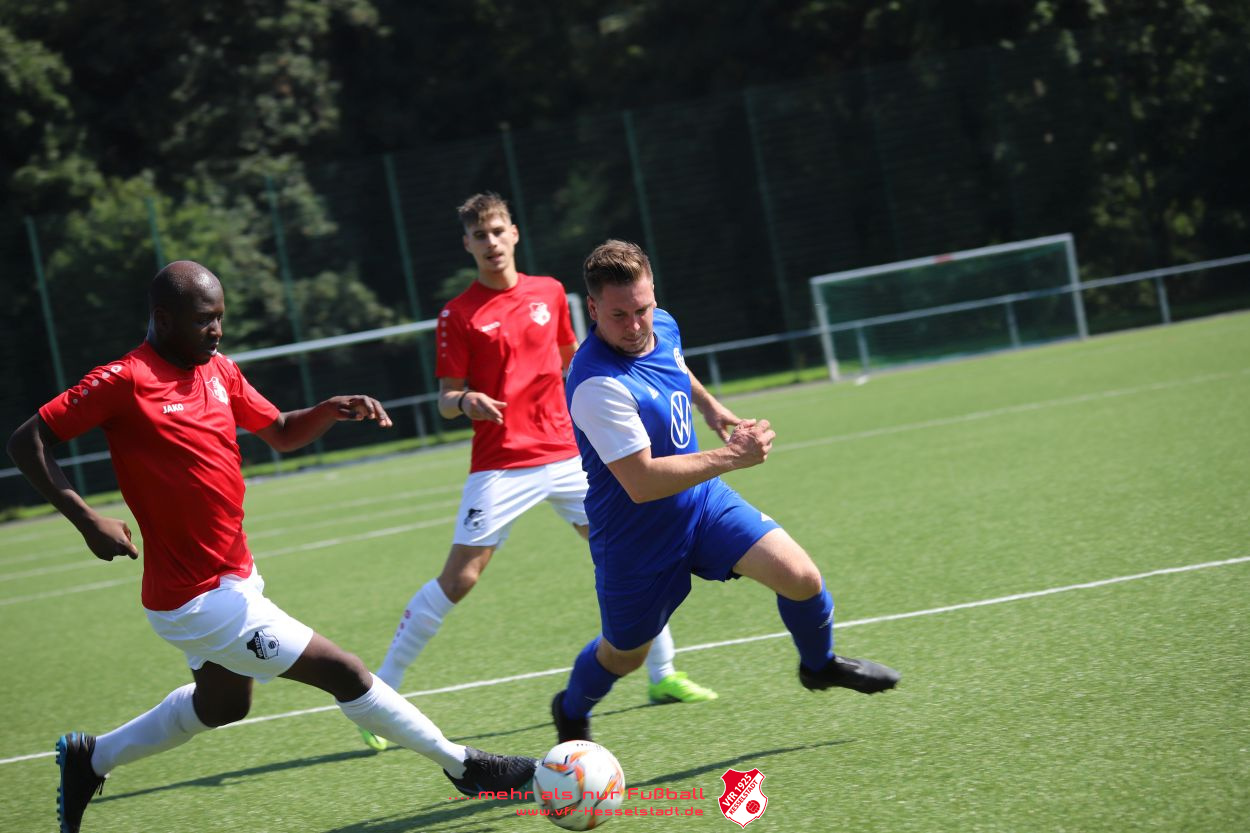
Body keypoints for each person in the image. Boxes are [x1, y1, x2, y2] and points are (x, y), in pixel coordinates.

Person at [6, 261, 535, 833]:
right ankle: (463, 765)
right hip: (197, 599)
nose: (217, 330)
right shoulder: (125, 379)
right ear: (163, 318)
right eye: (204, 320)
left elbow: (280, 431)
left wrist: (327, 411)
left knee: (224, 705)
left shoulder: (219, 370)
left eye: (220, 318)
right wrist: (86, 519)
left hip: (236, 577)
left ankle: (91, 759)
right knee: (345, 671)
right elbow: (27, 440)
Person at [362, 193, 716, 751]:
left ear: (514, 233)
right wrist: (467, 401)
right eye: (480, 235)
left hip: (569, 453)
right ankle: (377, 702)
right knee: (460, 578)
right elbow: (445, 400)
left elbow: (583, 364)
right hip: (502, 463)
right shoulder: (458, 314)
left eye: (498, 230)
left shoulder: (549, 292)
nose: (491, 242)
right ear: (467, 244)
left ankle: (663, 674)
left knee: (635, 548)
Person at [550, 240, 901, 743]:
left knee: (801, 577)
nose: (634, 326)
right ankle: (570, 708)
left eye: (641, 309)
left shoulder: (662, 324)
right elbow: (642, 482)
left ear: (654, 295)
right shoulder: (596, 384)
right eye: (618, 315)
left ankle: (819, 665)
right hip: (635, 539)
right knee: (625, 655)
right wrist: (734, 456)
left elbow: (673, 362)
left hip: (701, 504)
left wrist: (709, 406)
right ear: (592, 308)